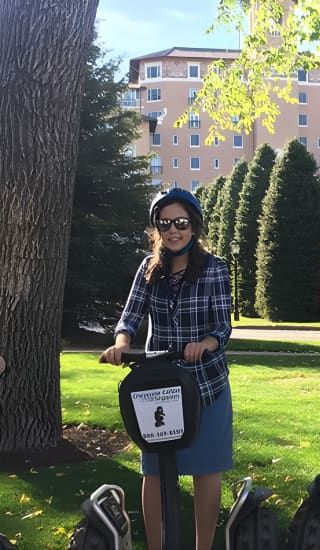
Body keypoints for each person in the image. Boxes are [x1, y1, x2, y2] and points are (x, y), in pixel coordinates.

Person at [100, 187, 232, 550]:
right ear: (156, 228)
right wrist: (122, 344)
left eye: (181, 223)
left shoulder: (215, 268)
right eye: (165, 224)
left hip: (206, 382)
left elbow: (222, 326)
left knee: (206, 469)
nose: (173, 231)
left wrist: (204, 344)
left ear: (194, 226)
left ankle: (203, 547)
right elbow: (130, 316)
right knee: (154, 471)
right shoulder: (149, 268)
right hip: (159, 385)